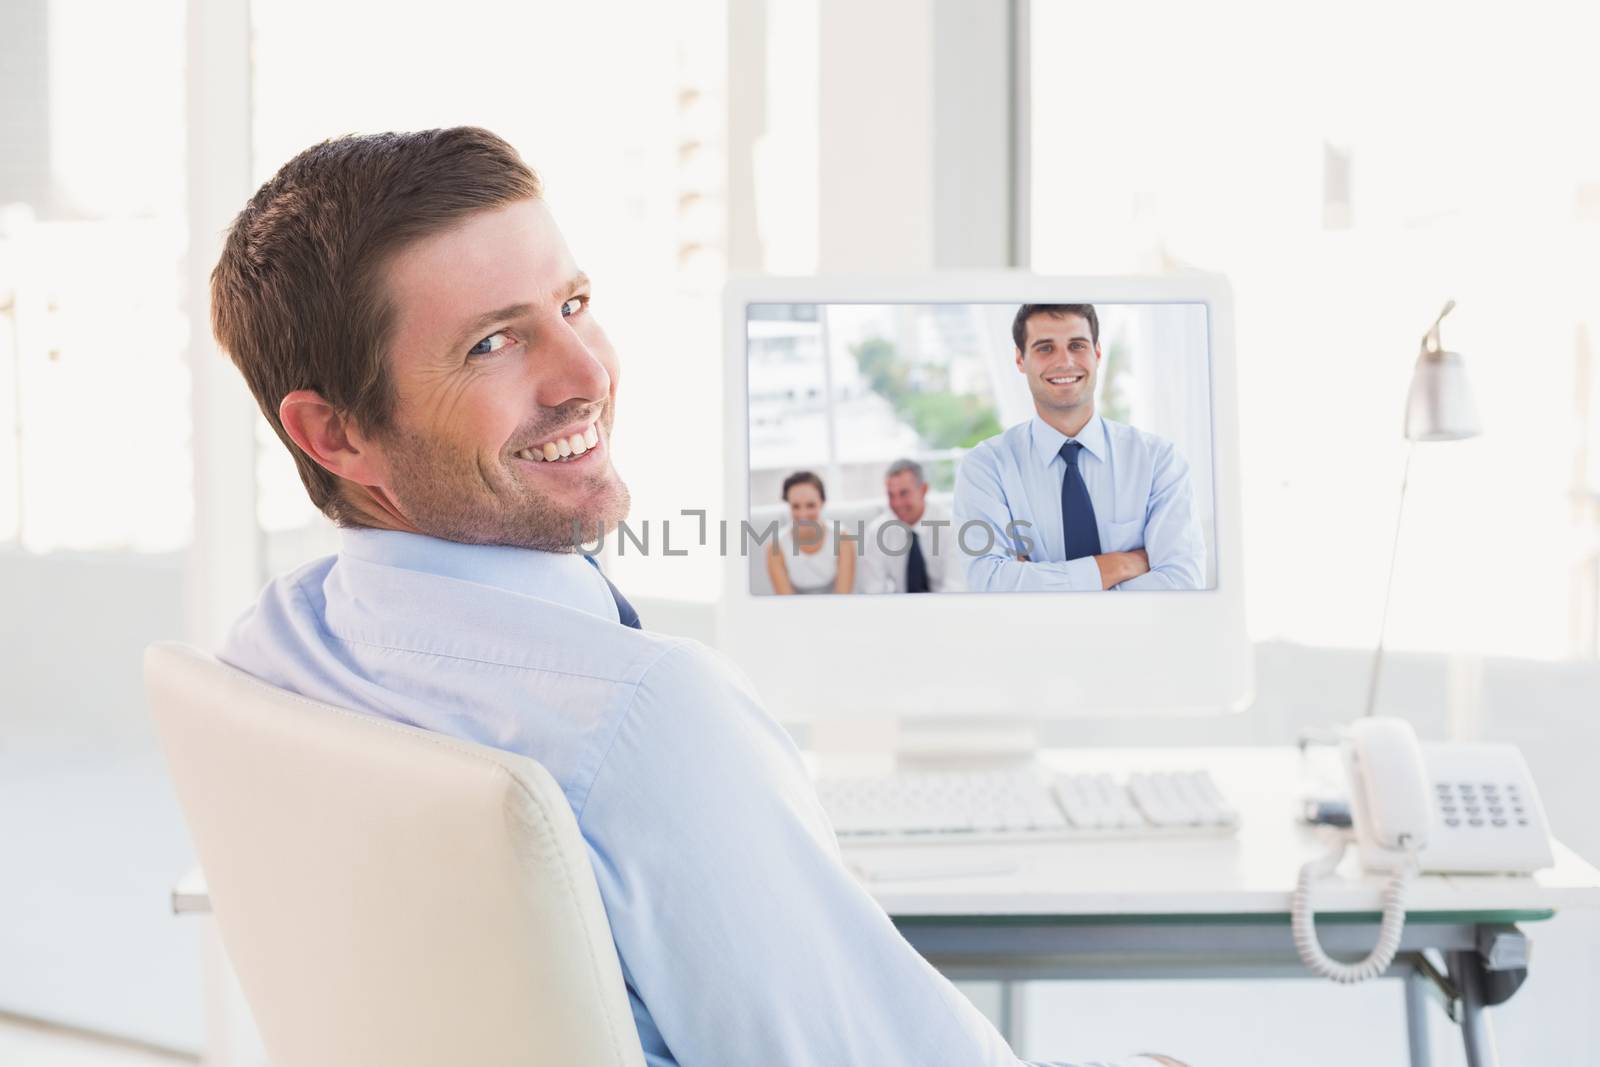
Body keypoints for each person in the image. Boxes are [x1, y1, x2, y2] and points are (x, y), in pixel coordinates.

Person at [208, 128, 1185, 1067]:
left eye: (574, 301)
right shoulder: (641, 718)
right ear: (335, 435)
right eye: (494, 344)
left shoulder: (276, 649)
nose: (586, 374)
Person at [952, 304, 1206, 593]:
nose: (1064, 361)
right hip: (1029, 640)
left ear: (1097, 353)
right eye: (1045, 348)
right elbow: (988, 583)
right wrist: (1120, 566)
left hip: (1136, 639)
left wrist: (1034, 581)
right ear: (1020, 359)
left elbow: (1181, 583)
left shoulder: (1157, 461)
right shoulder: (986, 467)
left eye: (1077, 345)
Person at [859, 458, 965, 593]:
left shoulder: (951, 528)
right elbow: (873, 590)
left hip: (944, 608)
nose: (896, 503)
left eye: (904, 493)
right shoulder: (876, 532)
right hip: (898, 610)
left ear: (924, 490)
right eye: (891, 495)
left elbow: (956, 589)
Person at [767, 470, 856, 595]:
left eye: (810, 505)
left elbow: (843, 596)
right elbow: (786, 603)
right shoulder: (775, 546)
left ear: (822, 502)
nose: (803, 514)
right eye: (796, 506)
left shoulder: (843, 539)